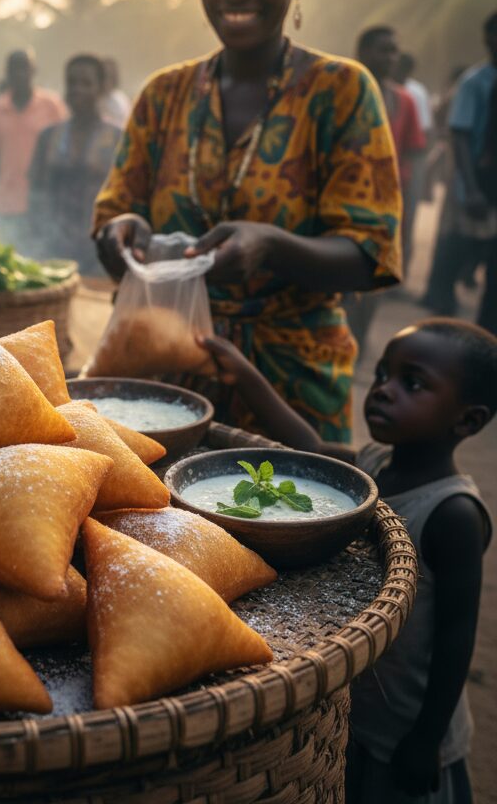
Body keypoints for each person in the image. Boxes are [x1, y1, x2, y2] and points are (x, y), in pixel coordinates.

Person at [93, 0, 402, 443]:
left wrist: (271, 247)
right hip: (163, 377)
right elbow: (114, 218)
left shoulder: (339, 91)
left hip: (293, 383)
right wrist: (122, 233)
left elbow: (369, 253)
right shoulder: (164, 94)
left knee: (296, 518)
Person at [201, 319, 494, 804]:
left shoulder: (453, 514)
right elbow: (313, 451)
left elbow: (457, 636)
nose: (382, 390)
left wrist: (426, 738)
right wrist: (247, 376)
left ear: (467, 421)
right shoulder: (378, 462)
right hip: (363, 709)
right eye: (381, 374)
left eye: (411, 383)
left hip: (410, 728)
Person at [424, 12, 497, 333]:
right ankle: (440, 310)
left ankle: (486, 326)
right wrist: (470, 187)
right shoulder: (474, 82)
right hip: (478, 178)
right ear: (489, 38)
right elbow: (461, 135)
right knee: (457, 244)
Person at [28, 55, 122, 273]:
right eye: (72, 83)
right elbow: (36, 192)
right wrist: (34, 238)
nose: (77, 89)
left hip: (100, 250)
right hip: (53, 247)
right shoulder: (49, 137)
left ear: (101, 89)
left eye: (86, 83)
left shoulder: (118, 139)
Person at [0, 49, 65, 248]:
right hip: (6, 200)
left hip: (41, 200)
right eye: (14, 69)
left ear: (34, 71)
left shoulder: (51, 106)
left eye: (24, 68)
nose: (19, 74)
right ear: (6, 73)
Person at [357, 27, 427, 266]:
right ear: (363, 53)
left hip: (389, 193)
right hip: (350, 191)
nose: (391, 58)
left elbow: (413, 150)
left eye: (394, 51)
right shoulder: (343, 91)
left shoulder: (405, 100)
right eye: (384, 51)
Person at [100, 56, 132, 129]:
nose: (107, 81)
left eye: (110, 76)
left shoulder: (121, 100)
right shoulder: (93, 98)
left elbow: (127, 125)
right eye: (104, 76)